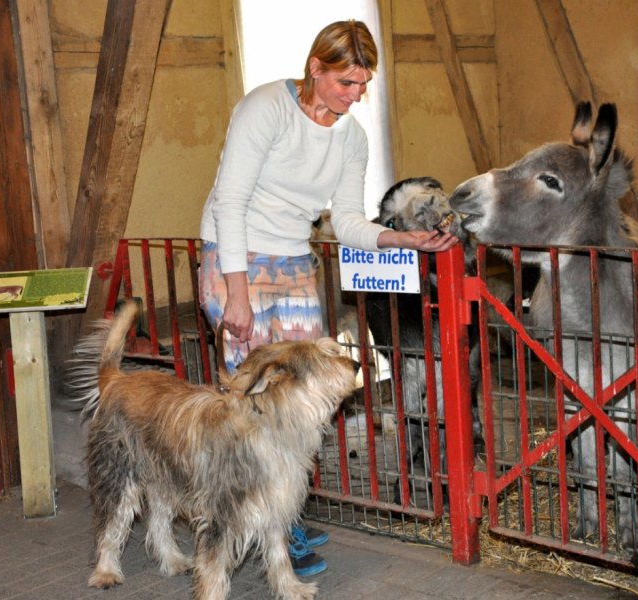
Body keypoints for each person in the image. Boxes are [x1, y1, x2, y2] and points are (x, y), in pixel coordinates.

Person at [198, 19, 457, 577]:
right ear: (315, 68)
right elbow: (232, 202)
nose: (355, 96)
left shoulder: (351, 136)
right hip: (233, 255)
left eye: (363, 85)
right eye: (346, 83)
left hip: (292, 258)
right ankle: (247, 522)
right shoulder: (265, 108)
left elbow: (343, 219)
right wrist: (236, 297)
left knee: (302, 396)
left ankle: (282, 517)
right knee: (253, 401)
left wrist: (400, 238)